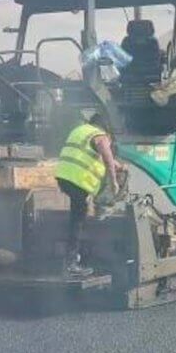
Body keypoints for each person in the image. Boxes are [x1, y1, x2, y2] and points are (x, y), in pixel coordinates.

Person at [53, 112, 122, 278]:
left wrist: (117, 164)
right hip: (78, 182)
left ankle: (72, 258)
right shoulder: (100, 136)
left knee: (77, 214)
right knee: (77, 220)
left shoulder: (81, 130)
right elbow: (106, 159)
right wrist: (114, 182)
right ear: (105, 128)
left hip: (64, 177)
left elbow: (88, 155)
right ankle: (71, 264)